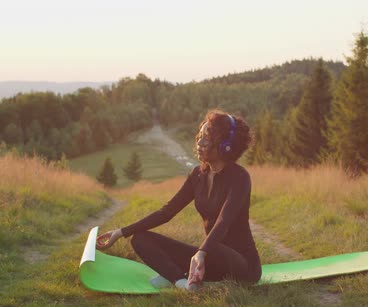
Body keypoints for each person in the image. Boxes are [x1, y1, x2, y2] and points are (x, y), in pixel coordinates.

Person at [96, 109, 261, 291]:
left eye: (207, 138)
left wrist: (201, 253)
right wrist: (120, 232)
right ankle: (181, 282)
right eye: (199, 136)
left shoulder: (239, 177)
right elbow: (167, 212)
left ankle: (185, 272)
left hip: (241, 266)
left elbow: (224, 221)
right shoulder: (198, 175)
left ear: (225, 145)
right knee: (140, 239)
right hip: (209, 257)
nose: (199, 142)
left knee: (211, 248)